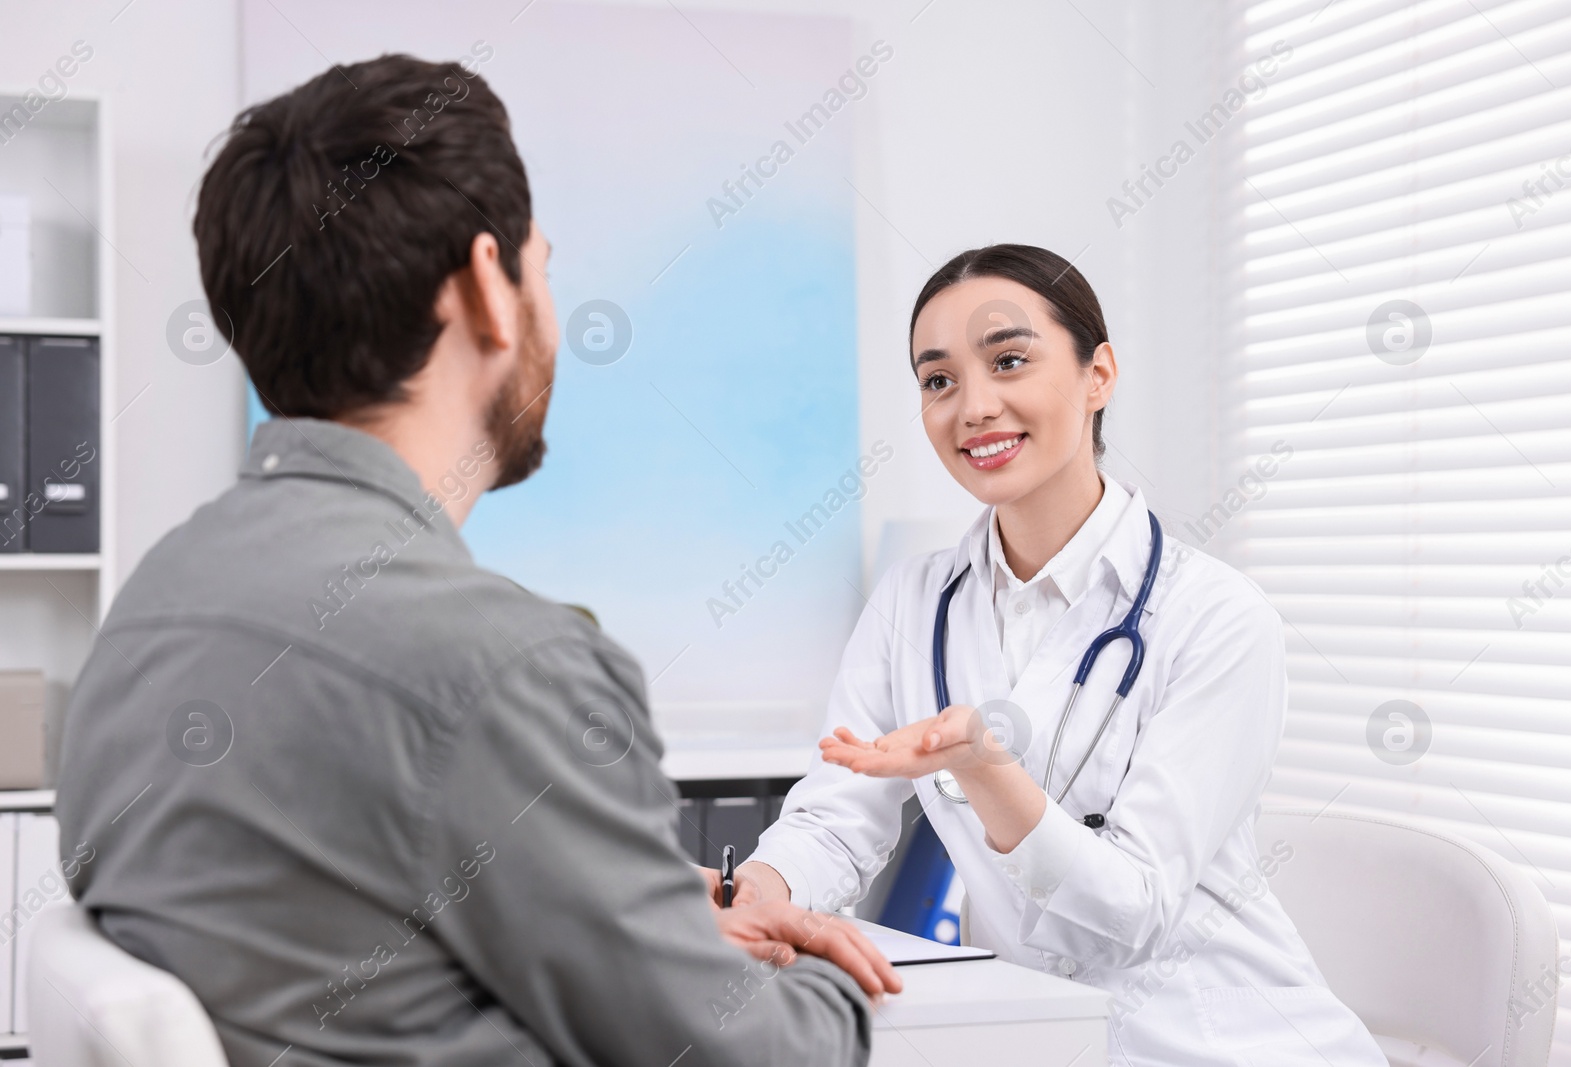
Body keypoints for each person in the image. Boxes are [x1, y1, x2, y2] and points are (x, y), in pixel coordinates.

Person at [53, 54, 897, 1067]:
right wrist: (820, 980)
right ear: (486, 287)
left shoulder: (151, 608)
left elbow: (345, 934)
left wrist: (655, 937)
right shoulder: (500, 665)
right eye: (542, 265)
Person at [724, 245, 1388, 1065]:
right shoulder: (913, 602)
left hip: (1222, 1045)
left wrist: (984, 767)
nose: (973, 406)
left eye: (1009, 361)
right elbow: (837, 815)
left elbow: (1136, 908)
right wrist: (759, 889)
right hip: (1036, 1037)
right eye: (938, 380)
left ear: (1097, 374)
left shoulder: (1216, 616)